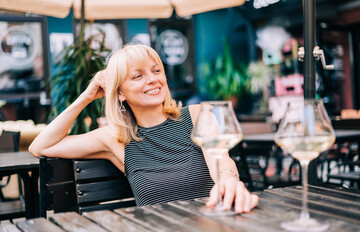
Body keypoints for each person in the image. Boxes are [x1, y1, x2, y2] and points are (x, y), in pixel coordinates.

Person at [29, 44, 258, 213]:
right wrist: (87, 96)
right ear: (120, 93)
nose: (152, 79)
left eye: (156, 71)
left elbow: (221, 161)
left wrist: (229, 181)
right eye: (138, 76)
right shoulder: (116, 138)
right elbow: (40, 146)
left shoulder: (198, 114)